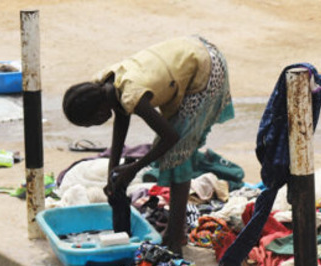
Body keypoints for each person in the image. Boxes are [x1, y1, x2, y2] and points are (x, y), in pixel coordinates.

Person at [62, 36, 235, 254]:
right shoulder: (105, 84)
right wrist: (112, 173)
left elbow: (170, 137)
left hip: (205, 66)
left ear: (98, 113)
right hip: (189, 49)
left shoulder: (131, 93)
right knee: (175, 154)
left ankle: (174, 241)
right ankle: (176, 234)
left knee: (177, 157)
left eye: (91, 123)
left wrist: (131, 170)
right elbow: (121, 120)